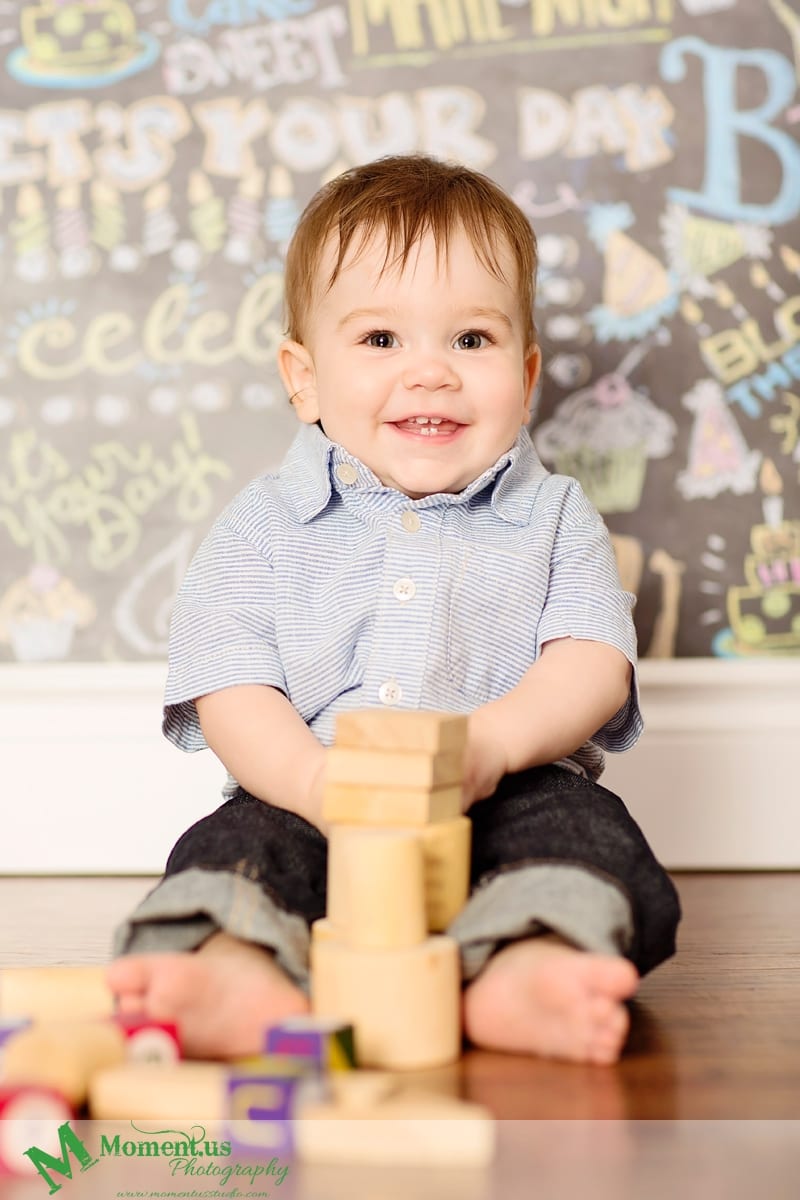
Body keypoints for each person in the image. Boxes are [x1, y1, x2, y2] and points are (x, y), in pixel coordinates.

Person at [109, 155, 680, 1066]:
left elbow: (591, 659)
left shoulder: (554, 513)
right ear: (304, 378)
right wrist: (307, 784)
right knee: (235, 846)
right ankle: (230, 961)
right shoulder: (261, 524)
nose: (430, 375)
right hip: (317, 785)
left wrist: (490, 745)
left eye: (470, 341)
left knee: (591, 840)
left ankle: (529, 962)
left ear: (525, 375)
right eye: (381, 341)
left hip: (509, 790)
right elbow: (229, 681)